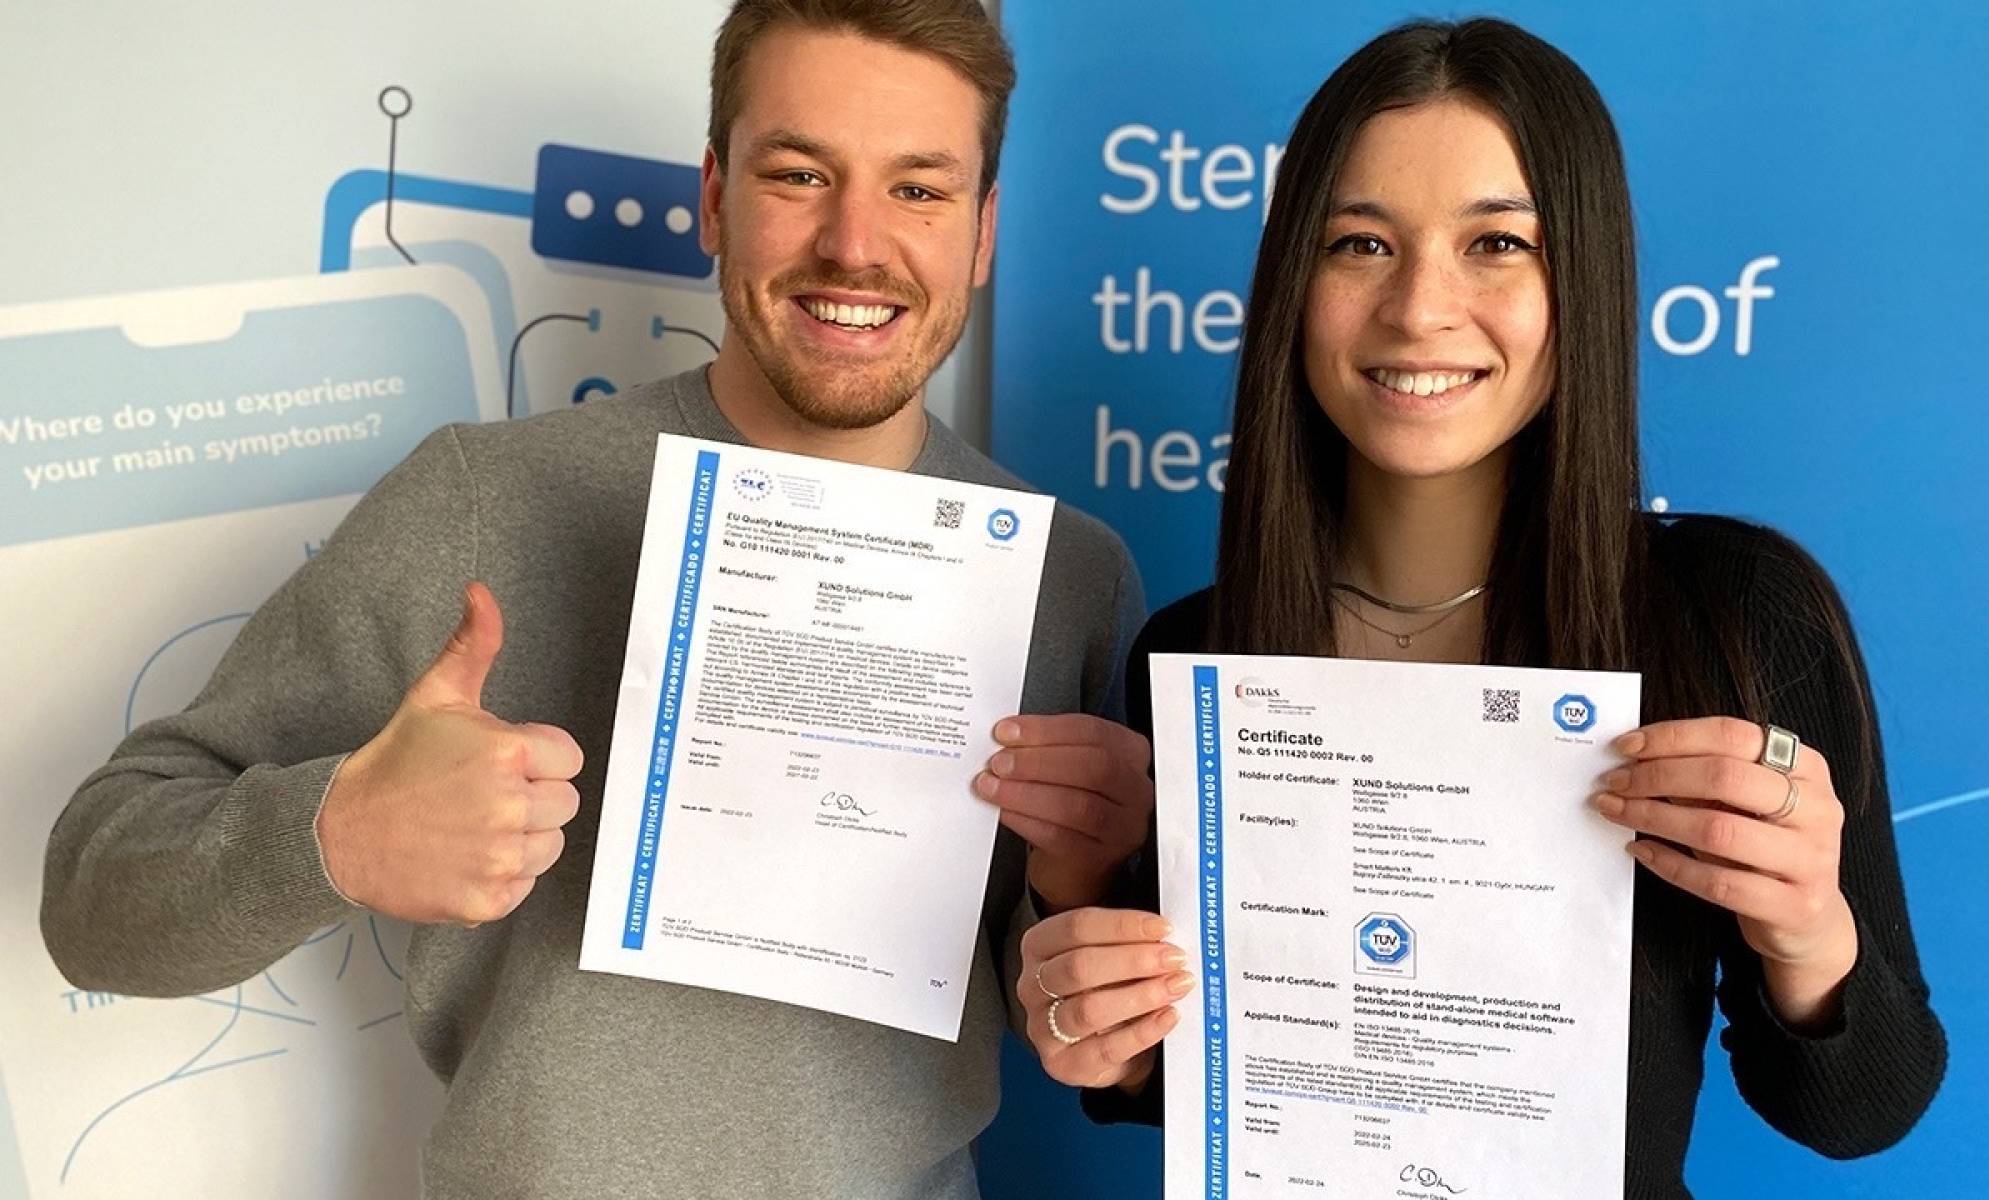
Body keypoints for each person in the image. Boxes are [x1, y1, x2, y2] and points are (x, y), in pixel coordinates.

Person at [40, 2, 1157, 1196]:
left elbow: (1055, 1019)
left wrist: (1083, 897)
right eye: (797, 175)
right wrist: (336, 834)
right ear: (714, 199)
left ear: (982, 233)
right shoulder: (482, 501)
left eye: (918, 191)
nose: (852, 244)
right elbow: (91, 903)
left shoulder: (1070, 577)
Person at [1013, 17, 1946, 1198]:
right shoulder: (1193, 654)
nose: (1418, 309)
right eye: (1359, 243)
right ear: (1293, 282)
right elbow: (1203, 1086)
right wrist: (1095, 1012)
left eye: (1496, 243)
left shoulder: (1734, 616)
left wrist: (1806, 930)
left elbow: (1862, 1111)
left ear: (1581, 283)